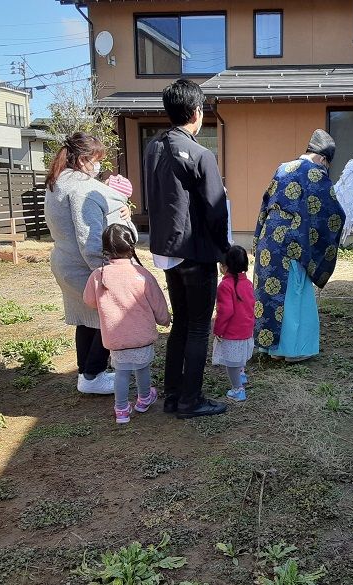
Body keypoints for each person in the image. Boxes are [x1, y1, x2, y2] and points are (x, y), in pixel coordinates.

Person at [143, 79, 231, 419]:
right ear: (196, 111)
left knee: (181, 322)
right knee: (197, 326)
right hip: (195, 250)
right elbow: (216, 209)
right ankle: (190, 400)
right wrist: (224, 251)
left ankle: (173, 395)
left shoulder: (153, 147)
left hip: (166, 250)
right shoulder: (200, 154)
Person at [45, 132, 135, 395]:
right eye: (96, 160)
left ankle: (86, 373)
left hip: (66, 263)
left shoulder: (58, 182)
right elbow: (90, 240)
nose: (99, 166)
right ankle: (93, 374)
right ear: (84, 159)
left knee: (86, 320)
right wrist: (108, 273)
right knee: (106, 320)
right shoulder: (82, 189)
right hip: (85, 267)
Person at [253, 130, 346, 361]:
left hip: (268, 238)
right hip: (292, 243)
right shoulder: (315, 173)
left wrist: (258, 238)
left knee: (268, 294)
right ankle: (292, 351)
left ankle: (270, 349)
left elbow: (265, 203)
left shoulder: (282, 168)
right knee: (293, 296)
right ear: (323, 158)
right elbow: (331, 214)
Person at [83, 224, 170, 424]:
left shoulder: (99, 275)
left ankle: (121, 409)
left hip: (116, 337)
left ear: (105, 249)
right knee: (142, 368)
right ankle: (144, 398)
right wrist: (164, 319)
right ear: (131, 247)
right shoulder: (141, 274)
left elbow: (89, 301)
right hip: (142, 335)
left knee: (121, 373)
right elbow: (157, 302)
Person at [212, 245, 255, 402]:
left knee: (231, 363)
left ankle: (238, 389)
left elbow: (225, 312)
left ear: (225, 266)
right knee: (240, 357)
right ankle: (241, 375)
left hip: (231, 332)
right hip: (246, 330)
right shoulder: (248, 283)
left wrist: (218, 330)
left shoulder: (225, 286)